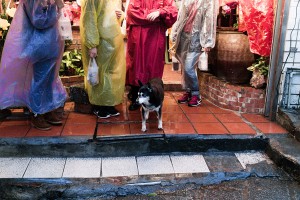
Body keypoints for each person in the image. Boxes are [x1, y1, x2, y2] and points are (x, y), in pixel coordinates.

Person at [0, 0, 67, 130]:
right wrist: (55, 8)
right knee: (40, 81)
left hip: (49, 44)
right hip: (40, 45)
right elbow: (39, 21)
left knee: (49, 80)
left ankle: (46, 110)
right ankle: (37, 113)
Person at [125, 0, 178, 110]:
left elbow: (173, 12)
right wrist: (158, 16)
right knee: (137, 69)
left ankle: (153, 98)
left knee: (153, 68)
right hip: (139, 39)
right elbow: (132, 12)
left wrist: (160, 12)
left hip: (155, 38)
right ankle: (135, 98)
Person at [80, 0, 126, 118]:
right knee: (98, 74)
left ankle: (109, 104)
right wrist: (92, 44)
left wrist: (120, 15)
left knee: (111, 74)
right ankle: (98, 105)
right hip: (100, 41)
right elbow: (88, 19)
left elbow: (110, 15)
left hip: (112, 41)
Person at [171, 0, 217, 107]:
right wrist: (175, 32)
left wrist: (207, 42)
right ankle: (188, 91)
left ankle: (196, 94)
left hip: (197, 39)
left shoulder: (209, 1)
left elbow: (209, 19)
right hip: (183, 36)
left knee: (188, 67)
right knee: (184, 66)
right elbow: (181, 15)